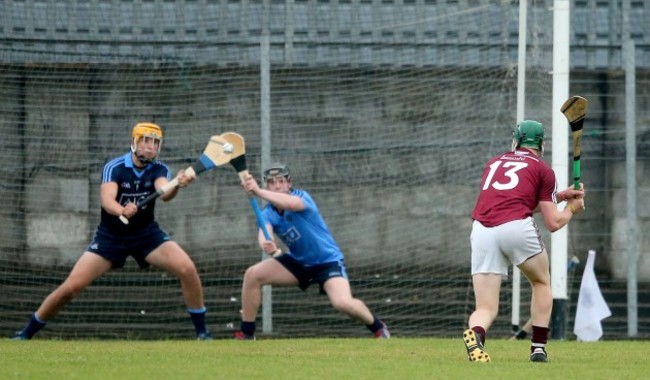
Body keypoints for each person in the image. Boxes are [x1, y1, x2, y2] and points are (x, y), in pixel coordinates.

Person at [11, 122, 212, 340]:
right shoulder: (114, 167)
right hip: (110, 238)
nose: (150, 147)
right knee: (70, 289)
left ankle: (202, 333)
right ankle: (25, 334)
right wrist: (122, 210)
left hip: (147, 235)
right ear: (134, 142)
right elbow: (107, 200)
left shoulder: (160, 169)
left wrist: (178, 185)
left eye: (155, 142)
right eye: (145, 141)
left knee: (187, 269)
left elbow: (164, 194)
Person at [463, 120, 585, 363]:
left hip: (482, 230)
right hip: (517, 228)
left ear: (516, 140)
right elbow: (554, 223)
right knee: (541, 282)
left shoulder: (493, 163)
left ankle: (476, 337)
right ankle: (538, 348)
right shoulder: (542, 169)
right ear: (541, 143)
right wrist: (571, 207)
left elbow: (518, 198)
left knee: (486, 307)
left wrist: (559, 196)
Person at [234, 163, 390, 340]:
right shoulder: (268, 212)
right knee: (252, 275)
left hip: (326, 262)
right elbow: (265, 232)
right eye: (271, 182)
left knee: (343, 303)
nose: (276, 186)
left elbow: (292, 204)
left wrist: (259, 191)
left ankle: (378, 327)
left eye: (280, 181)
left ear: (289, 183)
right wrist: (267, 244)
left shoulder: (301, 197)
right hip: (299, 262)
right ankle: (247, 334)